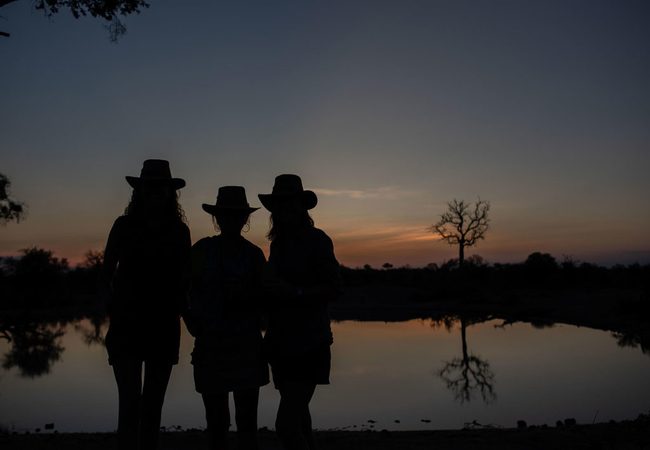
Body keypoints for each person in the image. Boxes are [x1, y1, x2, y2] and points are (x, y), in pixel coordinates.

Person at [100, 159, 191, 450]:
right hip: (127, 325)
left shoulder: (179, 232)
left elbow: (185, 280)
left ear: (169, 191)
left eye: (160, 185)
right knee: (129, 407)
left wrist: (188, 312)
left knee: (152, 409)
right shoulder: (123, 226)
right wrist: (112, 306)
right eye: (149, 185)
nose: (154, 190)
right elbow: (104, 275)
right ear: (139, 190)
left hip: (163, 326)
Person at [258, 174, 342, 450]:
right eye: (279, 203)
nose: (284, 208)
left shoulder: (318, 240)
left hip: (309, 344)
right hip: (281, 344)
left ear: (301, 206)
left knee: (286, 426)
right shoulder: (277, 244)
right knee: (301, 422)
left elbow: (334, 289)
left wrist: (294, 292)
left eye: (290, 202)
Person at [187, 186, 269, 450]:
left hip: (246, 347)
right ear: (217, 218)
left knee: (247, 421)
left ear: (245, 219)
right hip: (211, 347)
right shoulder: (201, 250)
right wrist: (191, 322)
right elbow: (181, 288)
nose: (232, 220)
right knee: (217, 421)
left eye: (237, 216)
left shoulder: (254, 255)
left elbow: (267, 299)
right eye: (226, 215)